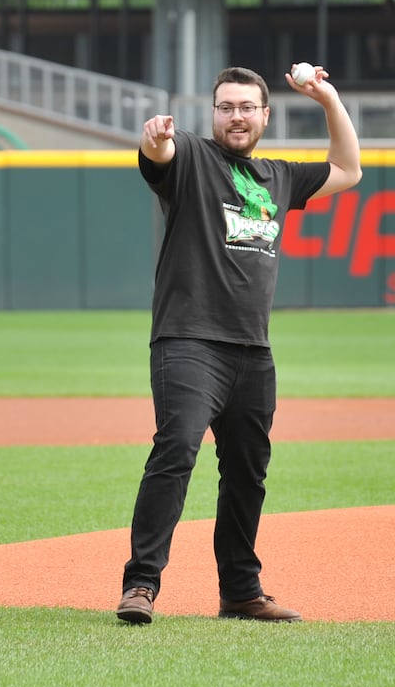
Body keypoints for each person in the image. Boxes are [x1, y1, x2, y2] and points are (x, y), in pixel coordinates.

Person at [115, 63, 362, 625]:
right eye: (226, 106)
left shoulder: (279, 176)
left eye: (247, 107)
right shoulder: (193, 159)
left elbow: (349, 169)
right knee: (176, 450)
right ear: (214, 113)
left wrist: (327, 96)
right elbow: (159, 158)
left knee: (248, 471)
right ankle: (141, 585)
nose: (236, 116)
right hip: (188, 340)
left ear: (264, 116)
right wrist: (154, 140)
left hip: (252, 350)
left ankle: (241, 591)